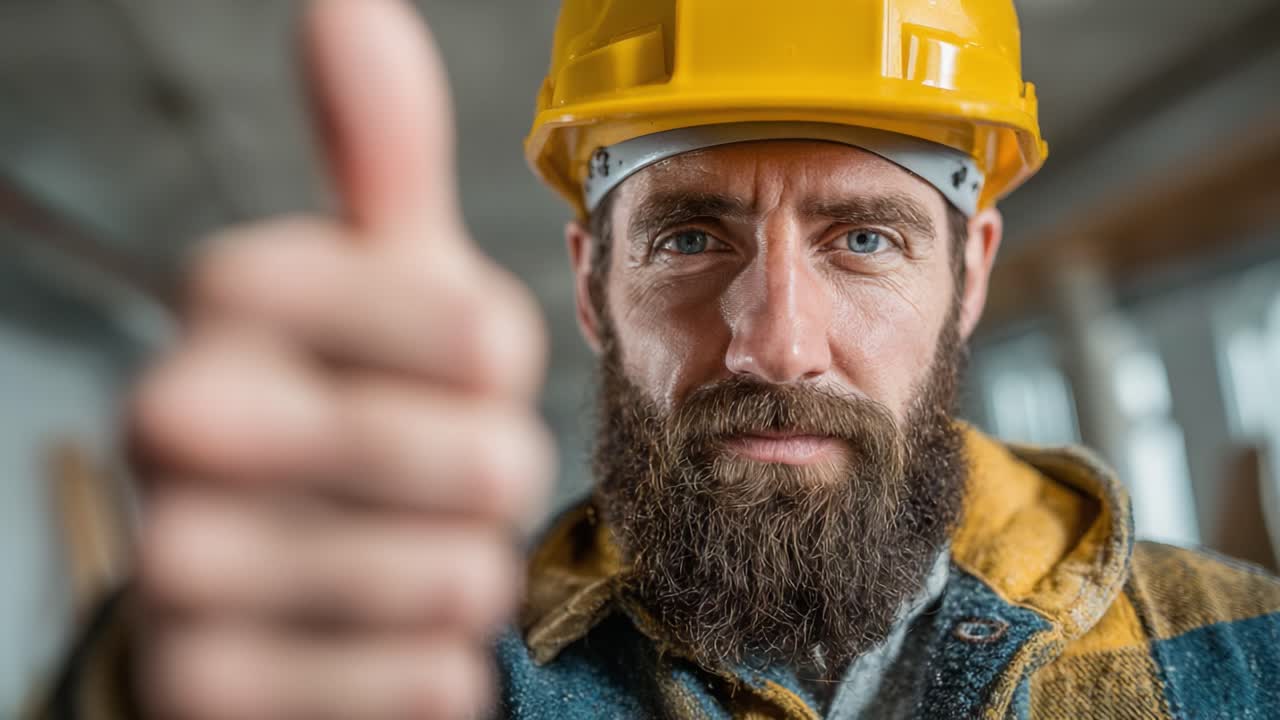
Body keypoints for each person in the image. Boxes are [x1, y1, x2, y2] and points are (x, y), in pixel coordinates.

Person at [39, 0, 1280, 718]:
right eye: (688, 235)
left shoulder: (1244, 657)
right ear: (589, 283)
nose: (776, 342)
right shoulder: (434, 679)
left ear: (972, 275)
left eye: (862, 238)